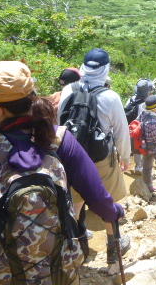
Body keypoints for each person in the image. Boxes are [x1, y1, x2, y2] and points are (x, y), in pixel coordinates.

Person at [0, 61, 124, 283]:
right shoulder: (60, 140)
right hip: (57, 264)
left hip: (0, 263)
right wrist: (114, 212)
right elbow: (97, 197)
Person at [58, 48, 130, 257]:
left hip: (71, 155)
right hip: (100, 158)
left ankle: (73, 247)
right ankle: (114, 247)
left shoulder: (69, 90)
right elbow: (121, 131)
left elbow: (58, 122)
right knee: (107, 200)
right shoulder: (111, 97)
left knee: (75, 201)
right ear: (105, 68)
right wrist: (124, 157)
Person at [124, 78, 155, 174]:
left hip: (129, 126)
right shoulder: (146, 103)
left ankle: (129, 164)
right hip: (139, 127)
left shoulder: (131, 99)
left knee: (132, 146)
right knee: (140, 147)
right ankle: (140, 167)